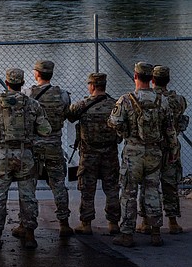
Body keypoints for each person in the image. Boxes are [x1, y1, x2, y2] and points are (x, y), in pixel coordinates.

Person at [0, 68, 51, 249]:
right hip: (25, 155)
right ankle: (30, 234)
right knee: (28, 196)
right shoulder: (33, 104)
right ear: (22, 83)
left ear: (7, 83)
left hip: (3, 154)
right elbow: (46, 130)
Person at [108, 62, 178, 247]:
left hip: (133, 151)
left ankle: (127, 234)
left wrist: (125, 131)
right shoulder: (162, 100)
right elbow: (170, 129)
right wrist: (173, 150)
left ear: (135, 77)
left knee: (129, 192)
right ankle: (155, 233)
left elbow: (114, 122)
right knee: (153, 190)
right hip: (155, 151)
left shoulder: (126, 99)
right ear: (151, 78)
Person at [23, 60, 73, 238]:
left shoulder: (28, 94)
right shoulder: (63, 95)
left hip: (33, 145)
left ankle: (27, 226)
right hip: (54, 145)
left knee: (29, 185)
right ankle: (64, 223)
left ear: (37, 74)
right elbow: (68, 114)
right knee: (58, 184)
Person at [136, 65, 188, 235]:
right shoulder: (178, 100)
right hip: (171, 147)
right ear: (168, 80)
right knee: (170, 184)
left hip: (152, 147)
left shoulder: (149, 98)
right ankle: (172, 221)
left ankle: (145, 221)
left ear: (152, 79)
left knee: (148, 185)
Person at [67, 73, 121, 235]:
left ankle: (86, 223)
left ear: (91, 86)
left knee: (87, 189)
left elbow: (69, 116)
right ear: (104, 85)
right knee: (111, 188)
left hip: (89, 154)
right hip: (110, 153)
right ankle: (113, 223)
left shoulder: (82, 105)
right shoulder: (115, 105)